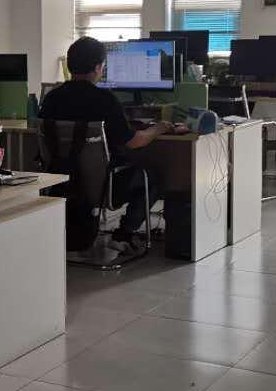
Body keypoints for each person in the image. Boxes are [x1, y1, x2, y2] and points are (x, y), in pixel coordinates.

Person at [39, 36, 183, 254]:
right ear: (98, 68)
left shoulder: (51, 98)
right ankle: (123, 235)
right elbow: (133, 142)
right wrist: (158, 128)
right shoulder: (105, 100)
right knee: (153, 176)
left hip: (60, 181)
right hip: (105, 185)